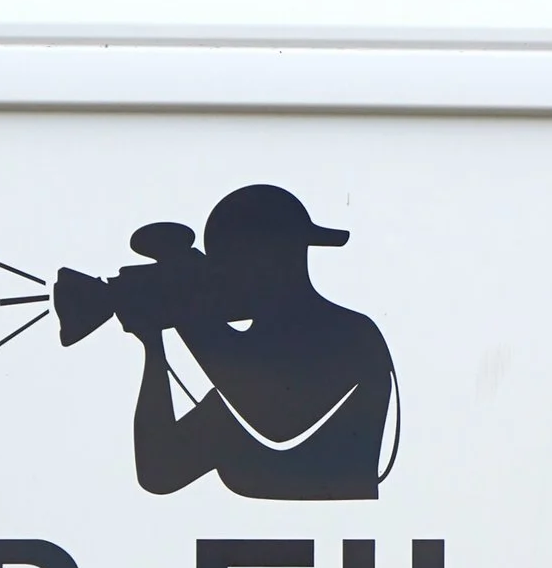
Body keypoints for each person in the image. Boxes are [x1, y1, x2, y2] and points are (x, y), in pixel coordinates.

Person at [96, 185, 399, 501]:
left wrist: (187, 314)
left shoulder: (351, 334)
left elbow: (275, 423)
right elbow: (158, 472)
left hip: (339, 521)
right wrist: (153, 345)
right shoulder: (238, 373)